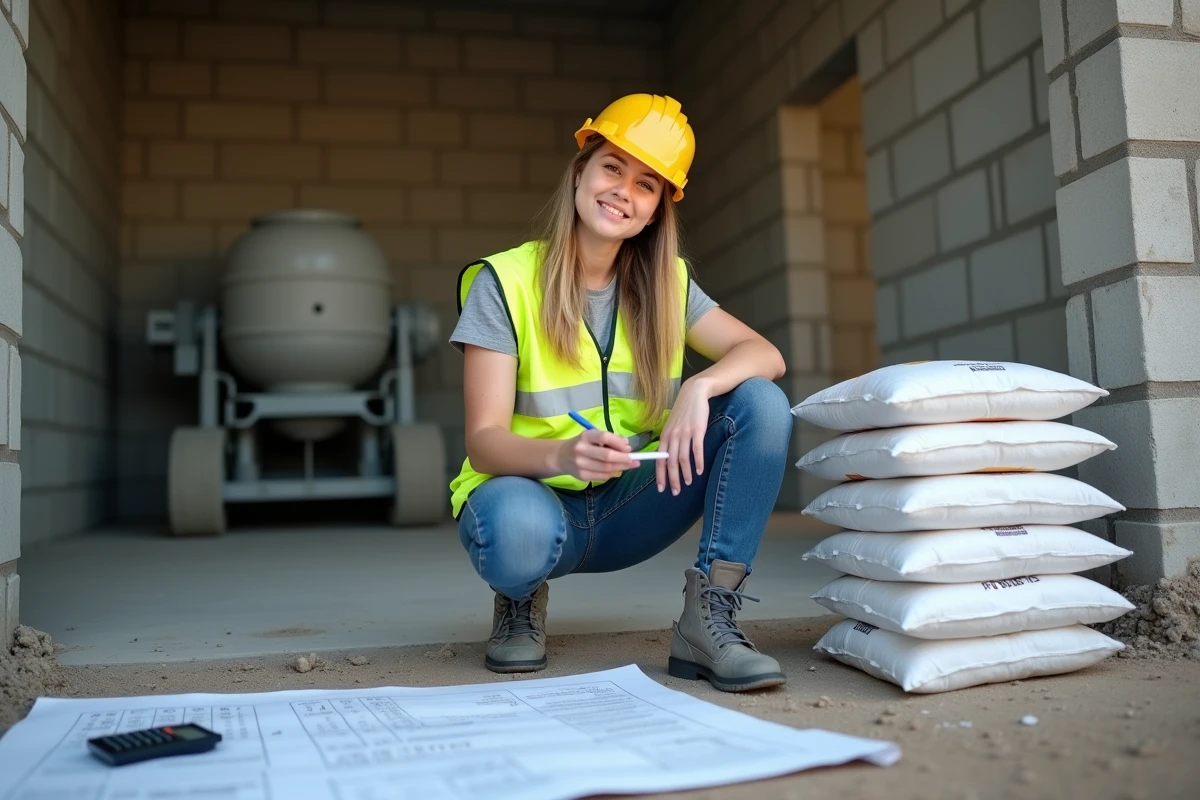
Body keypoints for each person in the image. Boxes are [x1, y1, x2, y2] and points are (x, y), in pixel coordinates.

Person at [447, 94, 793, 693]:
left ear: (659, 208)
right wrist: (563, 455)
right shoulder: (503, 282)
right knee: (517, 531)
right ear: (581, 170)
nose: (623, 192)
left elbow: (766, 354)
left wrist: (700, 386)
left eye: (647, 184)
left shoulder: (667, 284)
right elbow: (484, 443)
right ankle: (519, 599)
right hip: (535, 505)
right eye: (613, 167)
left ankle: (709, 617)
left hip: (633, 506)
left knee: (759, 402)